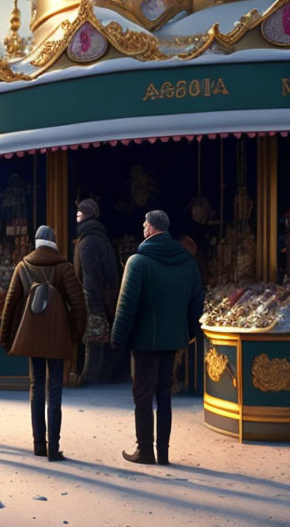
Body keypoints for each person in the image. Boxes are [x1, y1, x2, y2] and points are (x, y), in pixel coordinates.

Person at [111, 210, 205, 466]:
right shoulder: (187, 262)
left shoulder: (138, 262)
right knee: (165, 394)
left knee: (142, 395)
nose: (142, 226)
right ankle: (162, 452)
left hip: (143, 341)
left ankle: (145, 451)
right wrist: (189, 335)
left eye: (144, 223)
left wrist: (117, 339)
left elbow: (126, 306)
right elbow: (197, 302)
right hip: (173, 339)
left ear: (151, 228)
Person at [0, 225, 87, 461]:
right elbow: (79, 305)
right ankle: (53, 448)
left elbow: (10, 305)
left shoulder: (23, 267)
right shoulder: (64, 268)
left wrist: (5, 338)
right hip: (58, 336)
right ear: (54, 243)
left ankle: (39, 444)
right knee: (55, 389)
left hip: (31, 336)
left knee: (36, 386)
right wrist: (76, 335)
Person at [73, 198, 121, 384]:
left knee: (93, 335)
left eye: (80, 212)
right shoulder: (100, 238)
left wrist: (91, 303)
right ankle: (105, 374)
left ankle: (90, 376)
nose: (77, 214)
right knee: (100, 334)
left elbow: (91, 275)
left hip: (94, 298)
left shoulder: (87, 242)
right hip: (106, 296)